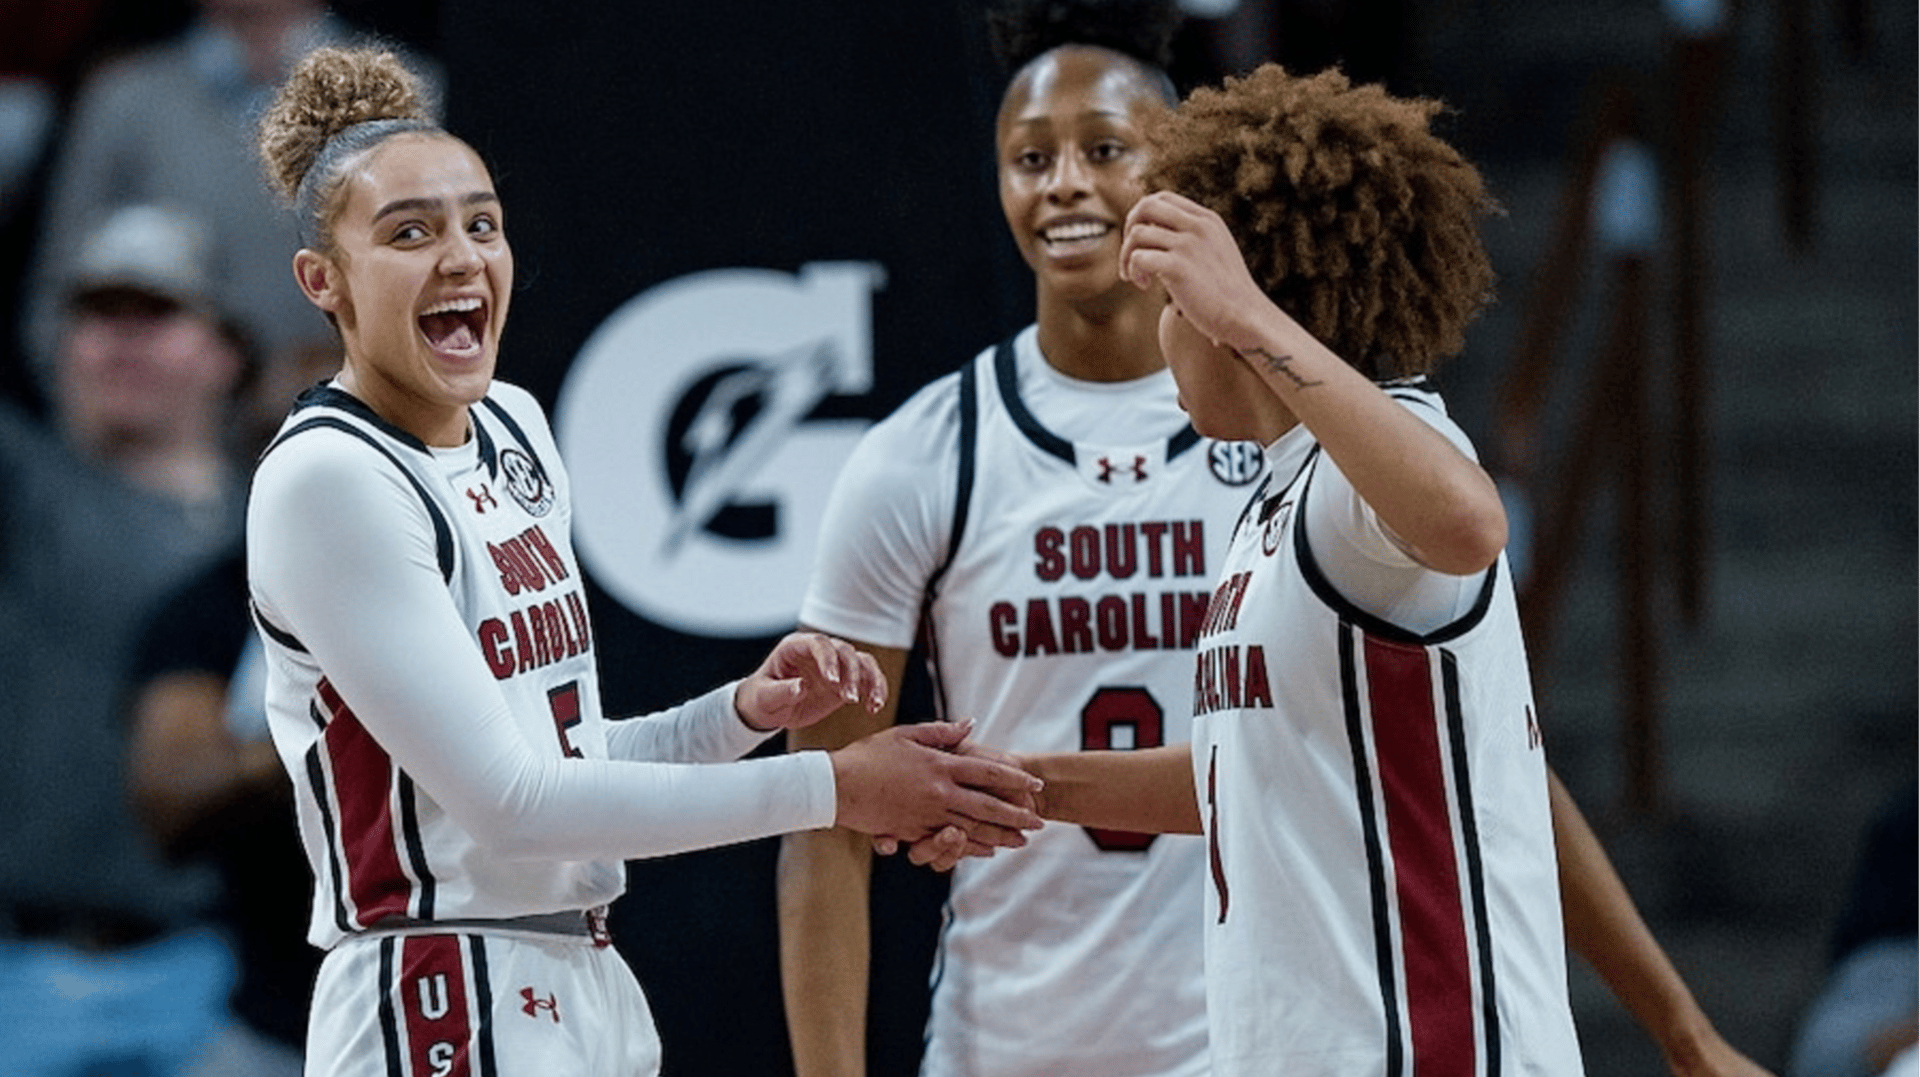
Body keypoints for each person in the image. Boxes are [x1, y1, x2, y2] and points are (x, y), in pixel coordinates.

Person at [783, 4, 1777, 1075]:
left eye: (1180, 296)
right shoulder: (1278, 496)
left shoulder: (1369, 474)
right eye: (1032, 156)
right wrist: (1015, 787)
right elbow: (1241, 771)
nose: (1165, 320)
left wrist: (1250, 318)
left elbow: (1469, 520)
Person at [245, 46, 1043, 1077]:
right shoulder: (329, 480)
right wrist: (836, 787)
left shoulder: (515, 429)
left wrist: (744, 716)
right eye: (410, 233)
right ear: (325, 282)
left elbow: (562, 767)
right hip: (432, 988)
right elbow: (512, 808)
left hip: (581, 972)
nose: (461, 257)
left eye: (481, 223)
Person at [0, 201, 252, 1076]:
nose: (122, 340)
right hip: (23, 974)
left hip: (224, 977)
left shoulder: (284, 519)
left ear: (225, 348)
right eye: (98, 315)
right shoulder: (25, 490)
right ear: (60, 342)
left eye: (157, 314)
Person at [19, 0, 439, 388]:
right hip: (151, 445)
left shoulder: (408, 94)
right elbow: (55, 305)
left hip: (355, 428)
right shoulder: (125, 100)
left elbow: (448, 283)